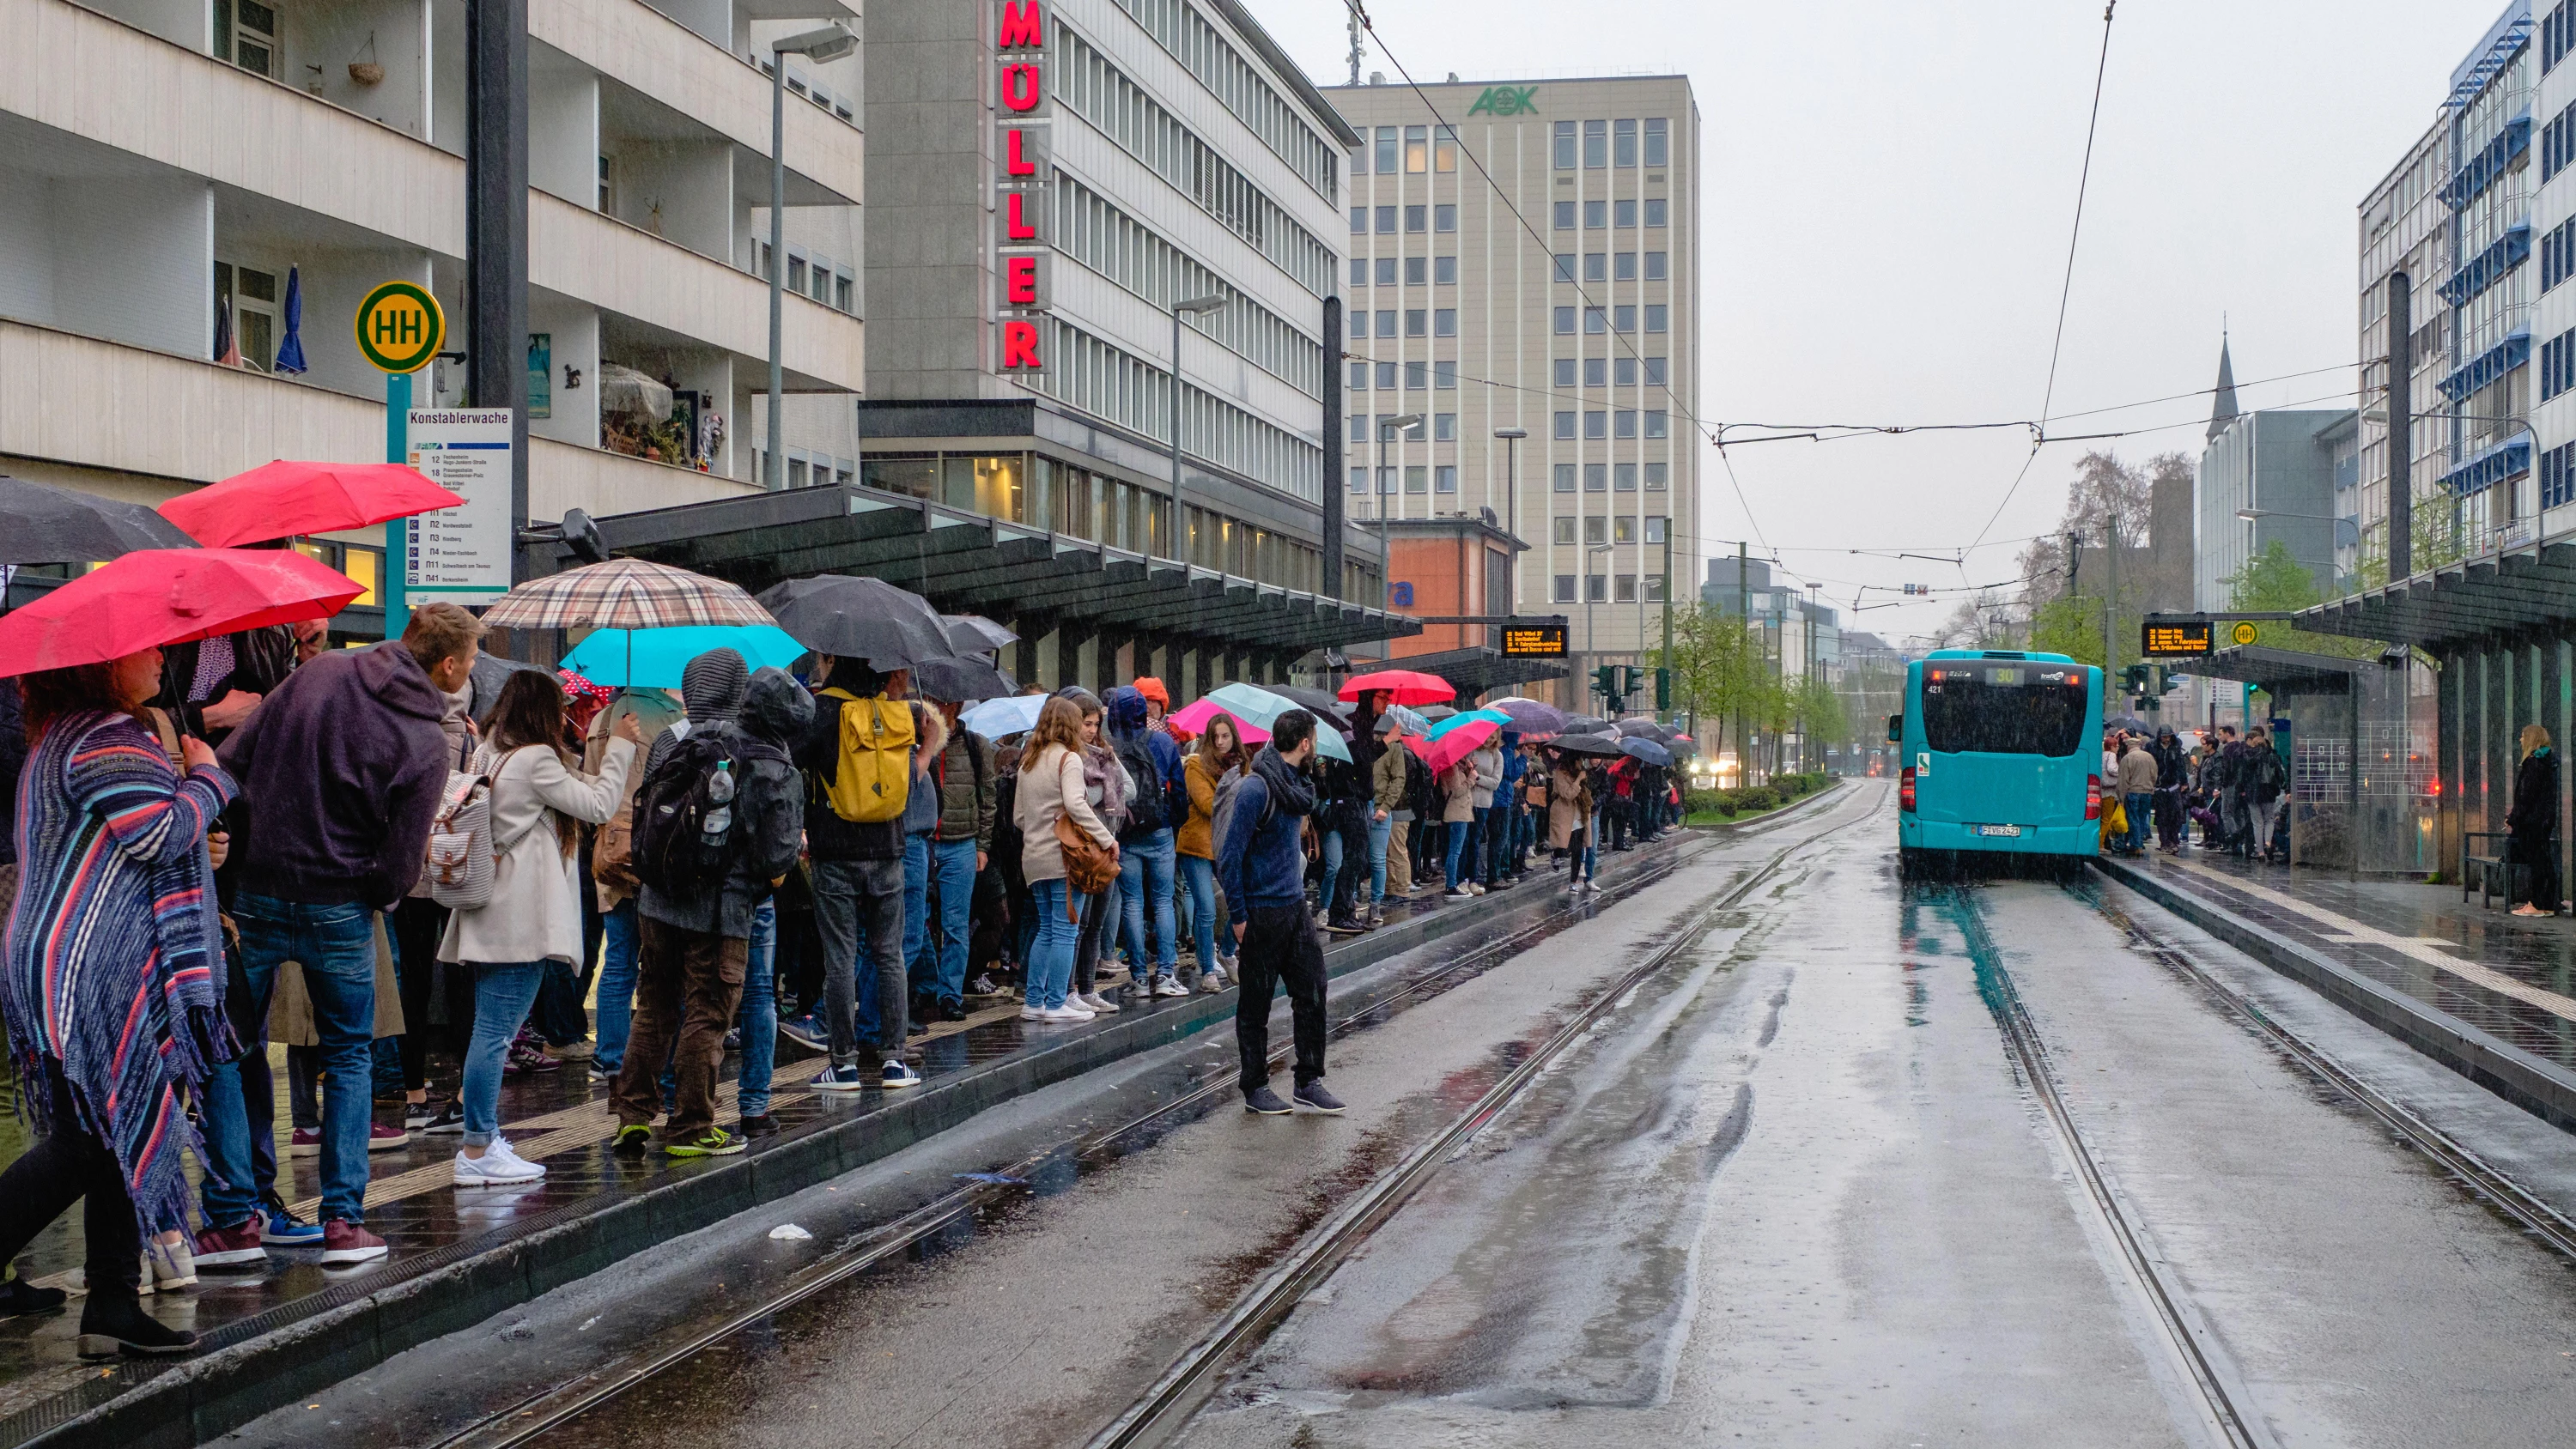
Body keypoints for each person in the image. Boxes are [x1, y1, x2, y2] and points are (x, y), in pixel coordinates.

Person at [198, 603, 470, 1268]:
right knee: (348, 1057)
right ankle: (344, 1223)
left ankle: (235, 1217)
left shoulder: (315, 676)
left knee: (232, 1050)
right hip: (342, 906)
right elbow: (403, 862)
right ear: (452, 666)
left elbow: (230, 762)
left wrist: (242, 848)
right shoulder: (425, 740)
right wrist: (369, 894)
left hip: (256, 891)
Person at [1, 646, 234, 1357]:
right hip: (91, 968)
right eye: (147, 650)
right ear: (97, 663)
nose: (162, 658)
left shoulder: (66, 735)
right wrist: (210, 780)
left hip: (75, 957)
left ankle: (111, 1304)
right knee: (90, 1139)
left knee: (117, 1133)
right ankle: (110, 1302)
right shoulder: (104, 738)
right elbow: (158, 835)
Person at [440, 672, 638, 1185]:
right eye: (560, 708)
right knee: (496, 1033)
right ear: (541, 712)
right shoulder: (535, 760)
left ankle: (482, 1142)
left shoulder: (490, 752)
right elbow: (596, 805)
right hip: (518, 918)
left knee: (490, 1028)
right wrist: (618, 748)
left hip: (489, 909)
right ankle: (479, 1149)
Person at [613, 659, 809, 1155]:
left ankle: (633, 1116)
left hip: (658, 900)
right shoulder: (772, 762)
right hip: (722, 911)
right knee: (708, 1012)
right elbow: (776, 856)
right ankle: (692, 1127)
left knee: (655, 1005)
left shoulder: (678, 741)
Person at [797, 656, 944, 1092]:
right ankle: (894, 1062)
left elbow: (793, 759)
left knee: (841, 958)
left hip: (835, 853)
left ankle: (842, 1065)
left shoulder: (825, 712)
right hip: (888, 851)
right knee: (890, 955)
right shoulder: (899, 714)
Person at [1215, 708, 1341, 1116]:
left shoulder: (1296, 785)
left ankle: (1308, 1079)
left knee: (1313, 988)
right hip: (1261, 911)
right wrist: (1238, 916)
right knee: (1256, 1003)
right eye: (1315, 741)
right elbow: (1229, 857)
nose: (1316, 748)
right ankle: (1255, 1086)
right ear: (1304, 743)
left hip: (1293, 905)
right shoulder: (1257, 789)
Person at [583, 686, 685, 1084]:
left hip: (609, 848)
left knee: (619, 959)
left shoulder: (601, 719)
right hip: (652, 847)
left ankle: (609, 1055)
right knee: (660, 962)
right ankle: (656, 1058)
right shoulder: (671, 720)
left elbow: (592, 785)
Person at [1016, 696, 1117, 1022]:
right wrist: (1107, 839)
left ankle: (1034, 1001)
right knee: (1065, 932)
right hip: (1062, 858)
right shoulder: (1069, 759)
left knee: (1046, 929)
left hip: (1033, 857)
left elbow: (1019, 816)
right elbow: (1076, 805)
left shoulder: (1028, 761)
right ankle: (1057, 1001)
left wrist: (1042, 823)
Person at [904, 693, 997, 1024]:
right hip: (923, 842)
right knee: (918, 922)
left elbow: (988, 798)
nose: (935, 708)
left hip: (961, 844)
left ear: (955, 706)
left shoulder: (975, 745)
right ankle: (927, 982)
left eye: (941, 702)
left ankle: (950, 996)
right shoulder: (914, 741)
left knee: (956, 925)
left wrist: (982, 845)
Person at [1105, 686, 1187, 996]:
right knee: (1164, 900)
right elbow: (1178, 789)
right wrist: (1172, 821)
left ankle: (1138, 978)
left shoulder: (1110, 745)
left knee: (1133, 902)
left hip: (1124, 833)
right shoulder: (1164, 742)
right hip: (1159, 829)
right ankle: (1166, 974)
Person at [1179, 713, 1246, 992]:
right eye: (1214, 736)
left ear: (1234, 738)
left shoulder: (1242, 766)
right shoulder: (1196, 764)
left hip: (1226, 844)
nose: (1219, 742)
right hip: (1196, 844)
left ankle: (1227, 952)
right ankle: (1207, 969)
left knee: (1243, 900)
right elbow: (1209, 805)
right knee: (1206, 908)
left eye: (1225, 736)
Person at [2509, 724, 2561, 917]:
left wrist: (2513, 818)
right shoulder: (2549, 762)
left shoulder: (2533, 763)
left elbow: (2526, 797)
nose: (2521, 740)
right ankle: (2545, 904)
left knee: (2537, 863)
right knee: (2544, 861)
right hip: (2544, 821)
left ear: (2531, 739)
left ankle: (2537, 905)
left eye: (2523, 736)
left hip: (2532, 822)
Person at [1369, 713, 1408, 917]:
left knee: (1380, 858)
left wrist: (1386, 806)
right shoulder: (1362, 744)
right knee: (1361, 857)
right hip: (1362, 805)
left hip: (1379, 807)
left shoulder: (1394, 747)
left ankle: (1378, 900)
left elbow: (1399, 778)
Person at [1548, 751, 1597, 893]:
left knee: (1577, 850)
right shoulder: (1560, 774)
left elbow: (1587, 791)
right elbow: (1567, 794)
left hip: (1579, 815)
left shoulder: (1581, 773)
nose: (1580, 763)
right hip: (1564, 814)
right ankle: (1555, 855)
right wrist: (1578, 780)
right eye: (1578, 760)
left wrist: (1584, 778)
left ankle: (1573, 881)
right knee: (1563, 847)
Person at [1439, 754, 1478, 899]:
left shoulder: (1459, 767)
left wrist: (1469, 772)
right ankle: (1451, 886)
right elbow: (1456, 791)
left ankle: (1452, 884)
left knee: (1456, 851)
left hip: (1462, 813)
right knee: (1455, 852)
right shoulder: (1451, 768)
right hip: (1456, 813)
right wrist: (1471, 779)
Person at [1469, 736, 1504, 888]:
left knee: (1476, 839)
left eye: (1493, 738)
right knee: (1466, 841)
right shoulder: (1471, 750)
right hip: (1467, 800)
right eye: (1488, 737)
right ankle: (1463, 877)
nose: (1489, 740)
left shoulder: (1496, 755)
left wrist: (1478, 778)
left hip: (1483, 803)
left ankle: (1473, 877)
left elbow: (1495, 783)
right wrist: (1471, 769)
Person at [2117, 734, 2158, 857]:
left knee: (2133, 818)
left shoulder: (2127, 758)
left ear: (2129, 747)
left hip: (2133, 792)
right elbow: (2154, 775)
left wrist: (2121, 797)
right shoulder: (2150, 757)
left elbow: (2123, 780)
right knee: (2142, 818)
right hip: (2147, 792)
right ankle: (2139, 842)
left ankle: (2136, 845)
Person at [2153, 728, 2189, 853]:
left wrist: (2184, 782)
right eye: (2164, 737)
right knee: (2162, 816)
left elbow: (2181, 765)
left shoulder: (2175, 748)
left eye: (2168, 737)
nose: (2167, 739)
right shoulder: (2153, 747)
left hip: (2173, 786)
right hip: (2159, 787)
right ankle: (2165, 842)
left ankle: (2173, 840)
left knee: (2176, 815)